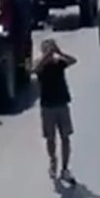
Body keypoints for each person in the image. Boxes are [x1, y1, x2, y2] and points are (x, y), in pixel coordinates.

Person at [35, 38, 76, 182]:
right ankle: (53, 161)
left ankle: (65, 168)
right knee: (50, 138)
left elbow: (73, 61)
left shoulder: (59, 63)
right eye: (47, 48)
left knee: (66, 137)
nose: (50, 51)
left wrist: (59, 52)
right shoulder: (40, 65)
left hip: (61, 104)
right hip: (47, 106)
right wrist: (46, 56)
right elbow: (35, 69)